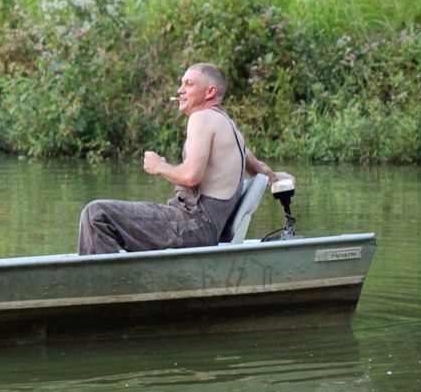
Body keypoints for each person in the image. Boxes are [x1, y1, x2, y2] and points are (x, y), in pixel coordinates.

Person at [77, 63, 292, 255]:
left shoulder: (202, 118)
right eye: (181, 84)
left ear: (210, 91)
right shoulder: (229, 127)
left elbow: (191, 176)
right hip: (199, 226)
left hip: (192, 225)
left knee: (97, 214)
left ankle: (102, 283)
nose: (180, 90)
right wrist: (276, 177)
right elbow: (258, 168)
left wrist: (159, 166)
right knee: (102, 216)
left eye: (188, 84)